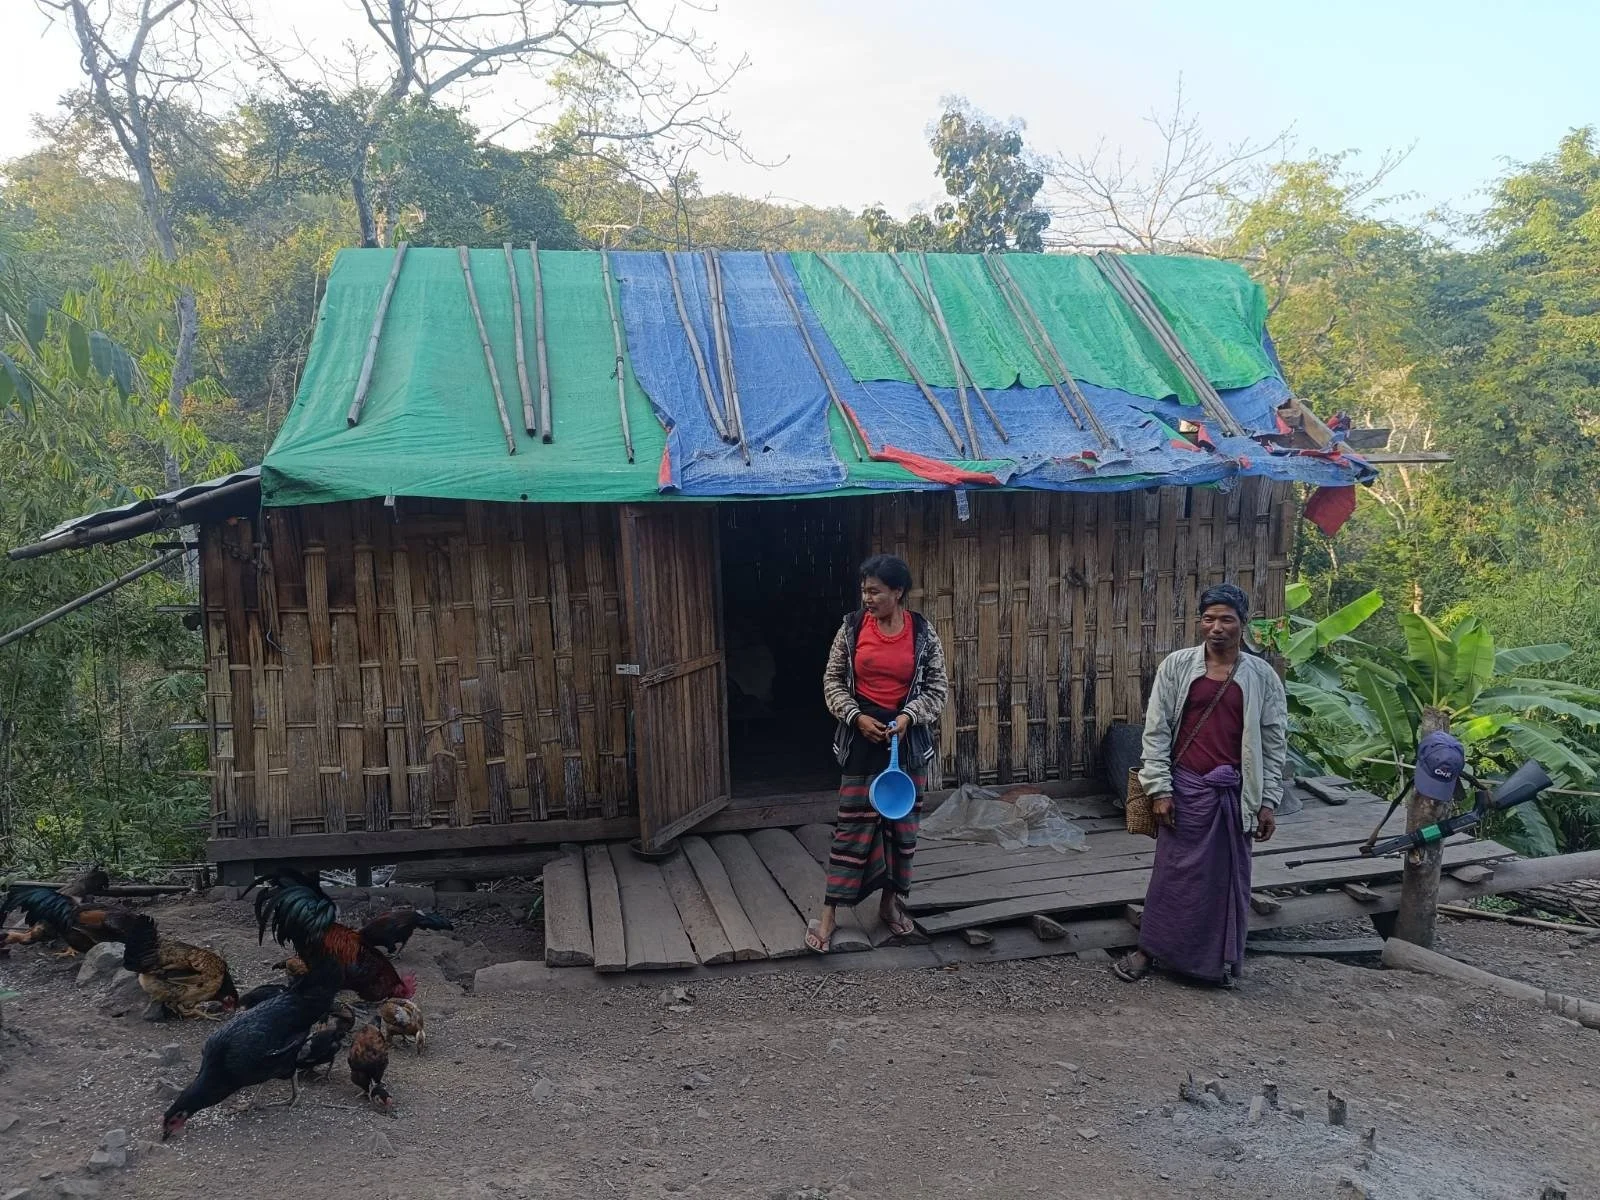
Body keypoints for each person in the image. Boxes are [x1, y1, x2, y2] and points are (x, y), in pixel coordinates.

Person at [1113, 582, 1287, 987]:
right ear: (1199, 622)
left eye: (1227, 619)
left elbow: (1274, 743)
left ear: (1243, 624)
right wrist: (1160, 789)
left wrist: (1268, 801)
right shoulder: (1176, 666)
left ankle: (1213, 963)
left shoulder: (1261, 676)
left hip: (1234, 797)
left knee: (1226, 883)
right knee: (1172, 877)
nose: (1216, 627)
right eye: (1209, 618)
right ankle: (1149, 951)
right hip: (1186, 790)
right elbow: (1156, 731)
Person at [809, 554, 949, 953]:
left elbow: (937, 688)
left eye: (875, 591)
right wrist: (854, 717)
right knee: (851, 828)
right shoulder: (852, 629)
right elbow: (832, 680)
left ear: (897, 592)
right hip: (861, 739)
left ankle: (889, 905)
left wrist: (908, 717)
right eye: (864, 590)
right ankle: (829, 915)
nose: (866, 598)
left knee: (901, 831)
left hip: (906, 743)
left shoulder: (922, 633)